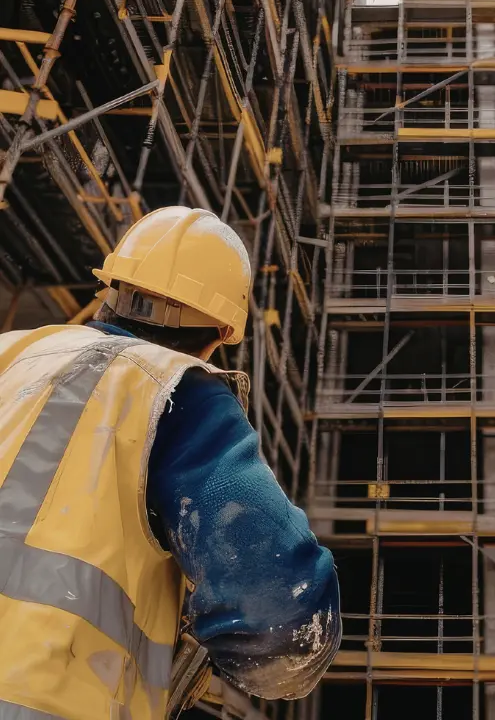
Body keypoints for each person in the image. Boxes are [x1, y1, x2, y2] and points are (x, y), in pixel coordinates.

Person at [0, 206, 340, 719]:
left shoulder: (10, 354)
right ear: (222, 332)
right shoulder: (175, 391)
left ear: (110, 291)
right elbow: (283, 629)